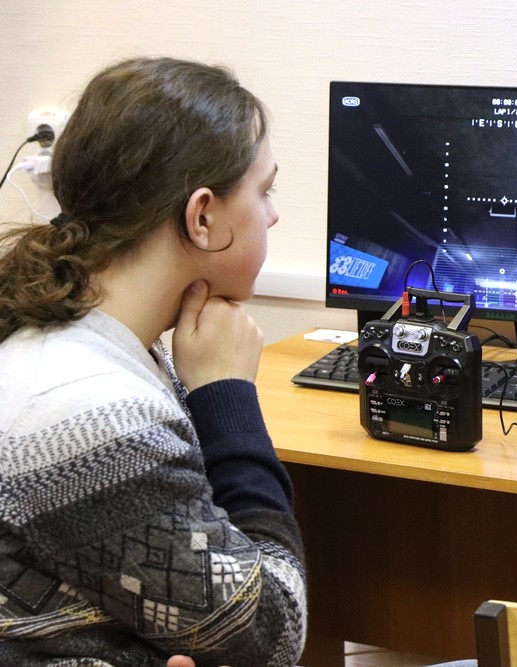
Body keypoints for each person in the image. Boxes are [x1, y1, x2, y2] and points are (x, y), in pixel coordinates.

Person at [0, 57, 305, 666]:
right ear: (202, 217)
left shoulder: (90, 340)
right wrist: (227, 399)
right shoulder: (91, 411)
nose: (272, 215)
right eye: (264, 191)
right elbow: (272, 635)